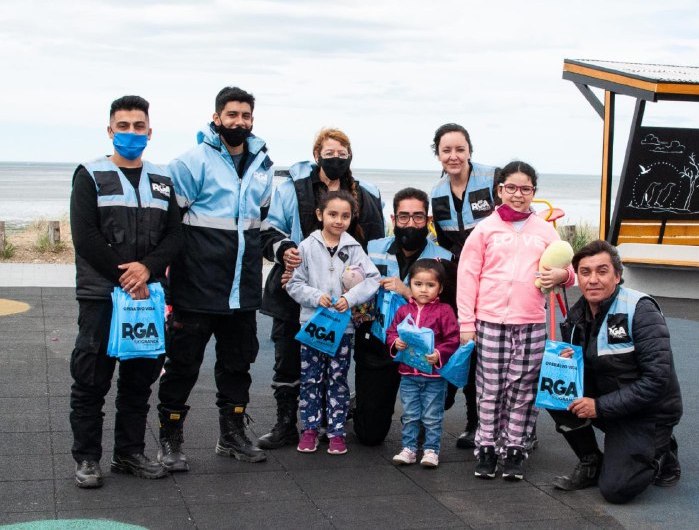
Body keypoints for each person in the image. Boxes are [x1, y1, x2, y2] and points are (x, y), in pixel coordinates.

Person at [157, 86, 274, 469]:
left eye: (245, 116)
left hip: (242, 290)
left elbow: (262, 223)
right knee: (182, 366)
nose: (239, 121)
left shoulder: (263, 166)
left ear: (252, 120)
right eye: (232, 115)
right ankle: (171, 439)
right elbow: (169, 224)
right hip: (196, 287)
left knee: (237, 365)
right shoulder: (191, 163)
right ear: (216, 118)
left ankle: (232, 435)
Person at [69, 95, 182, 488]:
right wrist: (127, 276)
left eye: (138, 126)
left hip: (148, 300)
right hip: (102, 296)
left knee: (139, 380)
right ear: (110, 130)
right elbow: (85, 236)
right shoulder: (90, 174)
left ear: (149, 132)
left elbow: (174, 234)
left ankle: (129, 454)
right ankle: (86, 458)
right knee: (91, 379)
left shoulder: (163, 179)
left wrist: (147, 269)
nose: (131, 133)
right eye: (123, 126)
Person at [257, 128, 384, 450]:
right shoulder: (293, 189)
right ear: (317, 155)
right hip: (297, 291)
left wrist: (362, 293)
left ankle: (334, 424)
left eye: (343, 154)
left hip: (346, 299)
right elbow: (268, 229)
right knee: (289, 360)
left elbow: (377, 243)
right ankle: (288, 423)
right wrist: (284, 249)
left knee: (339, 368)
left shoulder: (366, 193)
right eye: (330, 153)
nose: (336, 159)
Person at [457, 161, 574, 481]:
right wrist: (466, 323)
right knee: (490, 388)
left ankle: (515, 450)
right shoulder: (485, 229)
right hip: (490, 321)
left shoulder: (544, 230)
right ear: (499, 191)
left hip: (532, 322)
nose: (518, 195)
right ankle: (487, 447)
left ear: (534, 192)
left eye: (526, 189)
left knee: (523, 390)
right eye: (511, 188)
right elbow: (467, 277)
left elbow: (569, 270)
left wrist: (563, 274)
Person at [550, 240, 682, 504]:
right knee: (554, 385)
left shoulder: (640, 310)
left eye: (602, 271)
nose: (593, 280)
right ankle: (591, 461)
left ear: (617, 276)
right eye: (586, 272)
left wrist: (600, 406)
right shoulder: (577, 315)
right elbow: (594, 363)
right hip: (611, 402)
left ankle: (662, 452)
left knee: (616, 490)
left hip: (647, 411)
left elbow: (656, 381)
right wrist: (568, 364)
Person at [353, 187, 454, 446]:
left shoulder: (444, 259)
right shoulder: (371, 248)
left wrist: (407, 291)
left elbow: (449, 312)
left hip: (423, 352)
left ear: (428, 221)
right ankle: (363, 404)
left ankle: (421, 415)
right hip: (380, 343)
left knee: (427, 417)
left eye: (418, 217)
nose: (411, 223)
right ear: (393, 218)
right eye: (404, 217)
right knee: (369, 436)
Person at [286, 191, 380, 455]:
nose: (339, 220)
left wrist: (349, 299)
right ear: (320, 215)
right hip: (312, 325)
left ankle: (337, 431)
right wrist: (317, 297)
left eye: (345, 216)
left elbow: (372, 279)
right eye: (333, 214)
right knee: (310, 379)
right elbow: (293, 284)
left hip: (342, 327)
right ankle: (309, 429)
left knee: (337, 378)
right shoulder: (306, 247)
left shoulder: (354, 248)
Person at [430, 123, 497, 449]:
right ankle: (475, 421)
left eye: (460, 149)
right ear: (438, 154)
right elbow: (443, 245)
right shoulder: (437, 194)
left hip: (497, 276)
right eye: (447, 150)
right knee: (468, 346)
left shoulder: (494, 179)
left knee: (500, 353)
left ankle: (520, 427)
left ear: (470, 150)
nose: (454, 156)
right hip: (461, 282)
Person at [387, 259, 460, 468]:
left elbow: (453, 338)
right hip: (408, 373)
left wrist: (439, 353)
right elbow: (391, 332)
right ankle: (409, 448)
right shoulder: (403, 311)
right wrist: (395, 343)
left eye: (430, 285)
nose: (424, 290)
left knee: (431, 415)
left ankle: (431, 450)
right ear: (410, 285)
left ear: (440, 288)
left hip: (434, 377)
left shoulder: (444, 311)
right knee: (410, 414)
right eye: (418, 284)